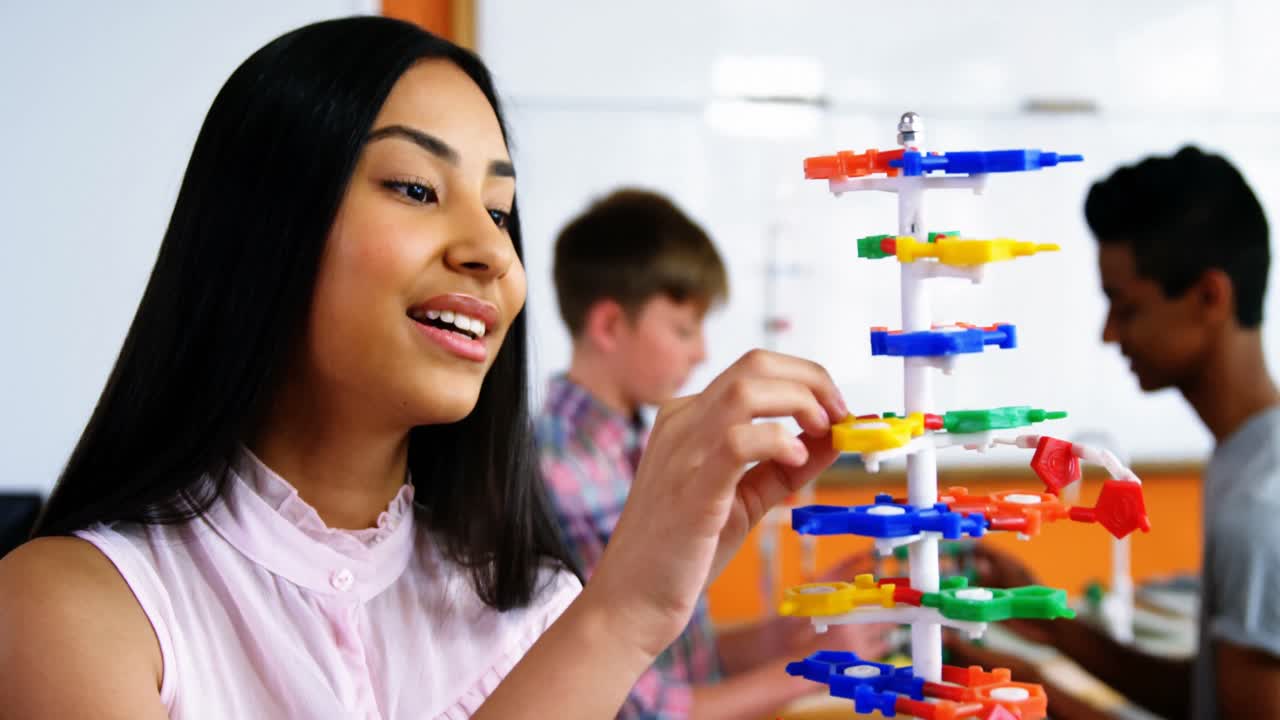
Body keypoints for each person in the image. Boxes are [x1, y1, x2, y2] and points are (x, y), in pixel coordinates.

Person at [0, 17, 854, 720]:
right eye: (415, 188)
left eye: (501, 211)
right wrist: (620, 617)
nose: (493, 252)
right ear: (266, 223)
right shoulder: (66, 610)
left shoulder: (536, 605)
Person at [951, 146, 1280, 719]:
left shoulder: (1259, 507)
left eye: (1125, 307)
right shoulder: (1245, 461)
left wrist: (1041, 700)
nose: (1109, 333)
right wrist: (1056, 627)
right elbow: (1209, 697)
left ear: (1209, 297)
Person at [536, 190, 887, 719]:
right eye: (683, 329)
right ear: (608, 325)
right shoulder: (567, 473)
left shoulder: (638, 447)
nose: (700, 352)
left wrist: (786, 637)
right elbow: (637, 709)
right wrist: (813, 668)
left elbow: (668, 655)